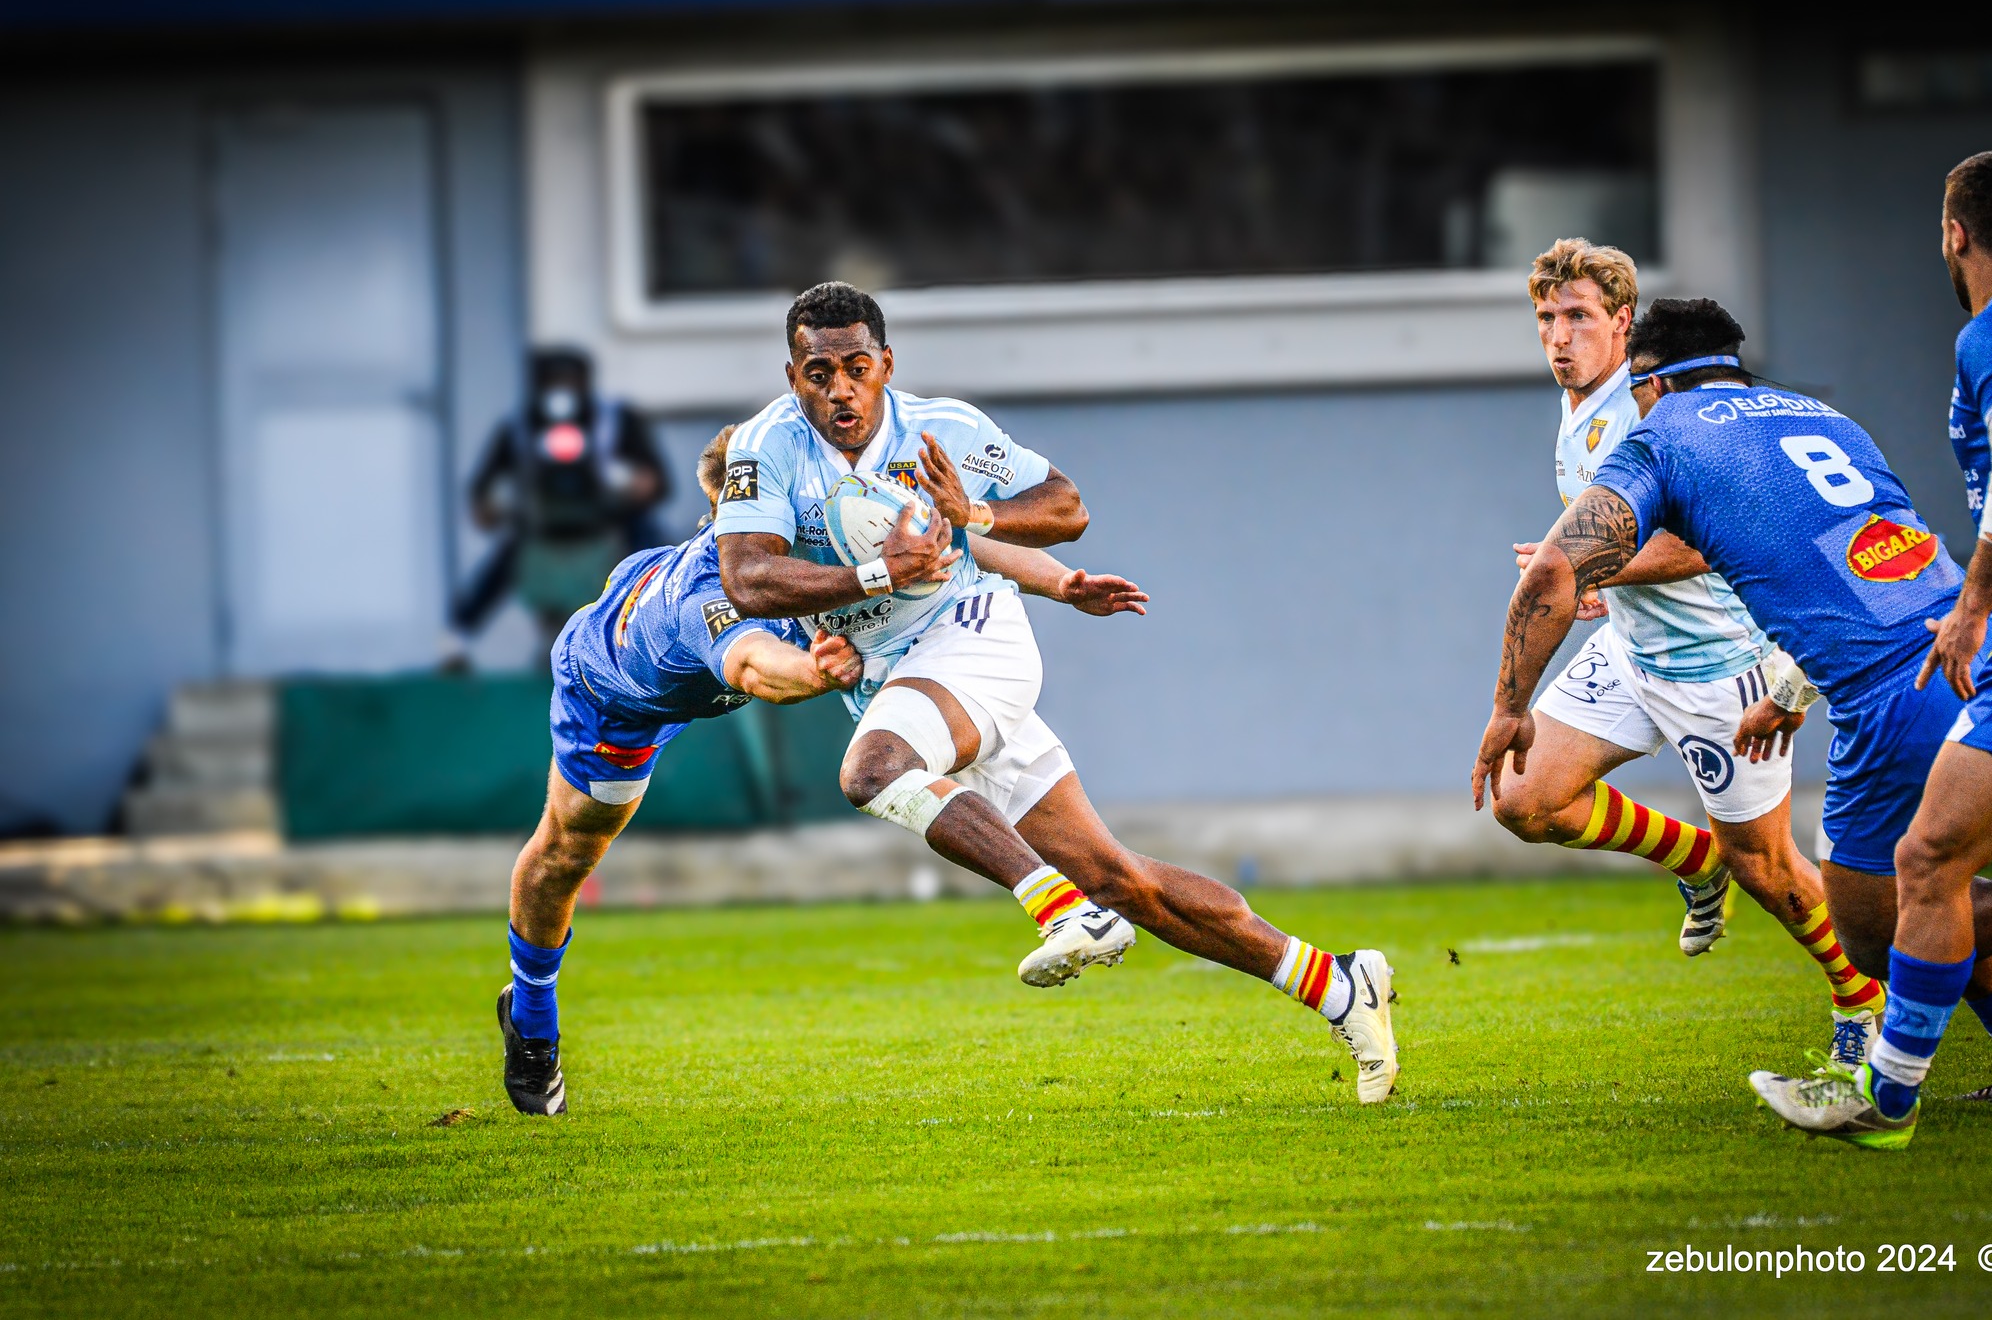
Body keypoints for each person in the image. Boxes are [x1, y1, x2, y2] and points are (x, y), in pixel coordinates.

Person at [715, 282, 1400, 1104]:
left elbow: (1066, 505)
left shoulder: (945, 429)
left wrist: (979, 517)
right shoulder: (767, 447)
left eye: (857, 368)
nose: (840, 390)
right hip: (908, 682)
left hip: (974, 638)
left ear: (886, 365)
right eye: (819, 373)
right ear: (793, 376)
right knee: (1124, 880)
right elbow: (748, 575)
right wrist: (871, 583)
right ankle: (1339, 985)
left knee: (871, 772)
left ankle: (1058, 909)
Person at [1469, 296, 1992, 1149]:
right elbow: (1848, 555)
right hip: (1962, 648)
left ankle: (1886, 1101)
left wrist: (1509, 705)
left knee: (1884, 930)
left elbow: (1555, 573)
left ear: (1649, 379)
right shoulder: (1824, 416)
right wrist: (1790, 684)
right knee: (1932, 881)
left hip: (1884, 696)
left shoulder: (1664, 436)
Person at [498, 424, 1150, 1115]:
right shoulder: (712, 596)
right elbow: (754, 664)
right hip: (611, 696)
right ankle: (532, 1018)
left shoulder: (805, 527)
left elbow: (952, 549)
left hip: (663, 619)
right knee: (568, 852)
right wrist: (810, 670)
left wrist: (1060, 581)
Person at [1496, 241, 1882, 1066]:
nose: (1559, 337)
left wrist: (1583, 569)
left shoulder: (1652, 408)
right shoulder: (1578, 403)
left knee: (1771, 870)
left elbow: (1707, 543)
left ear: (1623, 323)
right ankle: (1695, 860)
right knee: (1526, 799)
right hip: (1634, 650)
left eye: (1578, 318)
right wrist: (1599, 585)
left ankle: (1864, 1002)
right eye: (1546, 320)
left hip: (1718, 670)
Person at [1749, 150, 1992, 1138]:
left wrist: (1974, 607)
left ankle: (1882, 1100)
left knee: (1921, 865)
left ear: (1953, 233)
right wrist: (1974, 608)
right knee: (1933, 866)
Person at [452, 346, 673, 661]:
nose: (562, 392)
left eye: (570, 382)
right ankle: (458, 636)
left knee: (651, 544)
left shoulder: (616, 421)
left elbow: (659, 483)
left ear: (586, 383)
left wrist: (635, 483)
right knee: (506, 555)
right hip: (540, 528)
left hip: (609, 524)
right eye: (553, 383)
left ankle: (660, 624)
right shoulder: (518, 428)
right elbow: (481, 492)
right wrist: (492, 506)